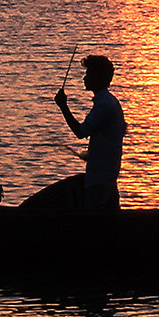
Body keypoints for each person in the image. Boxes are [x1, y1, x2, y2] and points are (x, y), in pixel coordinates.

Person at [55, 54, 127, 212]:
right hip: (109, 175)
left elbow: (81, 132)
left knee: (93, 220)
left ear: (98, 77)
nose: (84, 78)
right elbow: (116, 134)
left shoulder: (104, 105)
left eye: (88, 74)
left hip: (99, 178)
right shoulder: (112, 103)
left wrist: (63, 106)